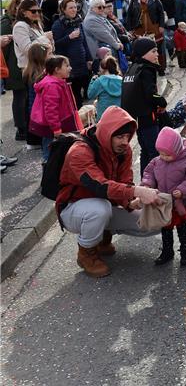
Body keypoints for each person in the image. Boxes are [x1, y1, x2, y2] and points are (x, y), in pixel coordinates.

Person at [57, 106, 162, 277]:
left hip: (103, 204)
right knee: (100, 209)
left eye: (128, 137)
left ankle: (102, 238)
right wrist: (137, 191)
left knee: (155, 221)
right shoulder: (79, 151)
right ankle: (86, 254)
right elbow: (100, 185)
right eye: (120, 136)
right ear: (106, 133)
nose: (125, 142)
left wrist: (131, 202)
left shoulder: (123, 150)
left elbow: (125, 181)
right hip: (72, 208)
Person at [141, 126, 186, 266]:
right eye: (161, 153)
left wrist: (181, 190)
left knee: (182, 226)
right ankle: (167, 251)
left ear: (176, 149)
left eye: (167, 154)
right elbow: (149, 174)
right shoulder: (157, 161)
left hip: (180, 202)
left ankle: (185, 252)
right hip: (163, 201)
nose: (163, 157)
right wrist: (147, 185)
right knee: (165, 227)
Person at [121, 37, 167, 174]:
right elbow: (150, 94)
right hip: (148, 116)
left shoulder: (133, 68)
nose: (157, 54)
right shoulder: (146, 69)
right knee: (154, 151)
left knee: (145, 151)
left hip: (137, 117)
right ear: (143, 53)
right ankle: (154, 182)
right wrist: (162, 101)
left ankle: (145, 180)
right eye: (153, 51)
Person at [13, 0, 54, 147]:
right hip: (30, 69)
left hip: (43, 67)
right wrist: (45, 38)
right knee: (33, 104)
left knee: (41, 103)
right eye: (33, 11)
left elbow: (46, 46)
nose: (37, 13)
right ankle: (33, 139)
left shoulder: (36, 24)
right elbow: (28, 48)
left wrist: (49, 42)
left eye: (39, 10)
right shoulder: (20, 26)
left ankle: (40, 136)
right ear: (23, 12)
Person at [29, 55, 81, 162]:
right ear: (57, 70)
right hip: (52, 128)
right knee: (51, 154)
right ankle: (49, 174)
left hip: (56, 125)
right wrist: (56, 129)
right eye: (67, 66)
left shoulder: (57, 82)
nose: (70, 68)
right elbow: (51, 110)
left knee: (57, 152)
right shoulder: (52, 85)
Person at [51, 0, 93, 105]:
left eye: (75, 7)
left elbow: (84, 42)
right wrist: (69, 37)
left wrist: (89, 59)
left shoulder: (78, 21)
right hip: (69, 64)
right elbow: (55, 44)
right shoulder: (58, 24)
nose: (74, 10)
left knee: (88, 91)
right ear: (63, 10)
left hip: (81, 61)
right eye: (70, 8)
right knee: (75, 95)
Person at [2, 0, 32, 141]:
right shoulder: (7, 22)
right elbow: (4, 47)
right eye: (20, 3)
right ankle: (21, 129)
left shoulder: (23, 22)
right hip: (13, 65)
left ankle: (25, 126)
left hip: (22, 63)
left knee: (25, 96)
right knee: (20, 97)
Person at [125, 0, 166, 74]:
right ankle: (145, 70)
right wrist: (130, 29)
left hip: (154, 27)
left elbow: (161, 13)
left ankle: (161, 69)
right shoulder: (134, 1)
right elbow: (129, 16)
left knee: (157, 49)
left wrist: (161, 25)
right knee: (143, 50)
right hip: (140, 29)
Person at [88, 55, 123, 119]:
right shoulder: (121, 80)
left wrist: (92, 81)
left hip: (104, 117)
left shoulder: (99, 81)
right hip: (120, 116)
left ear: (103, 67)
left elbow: (90, 95)